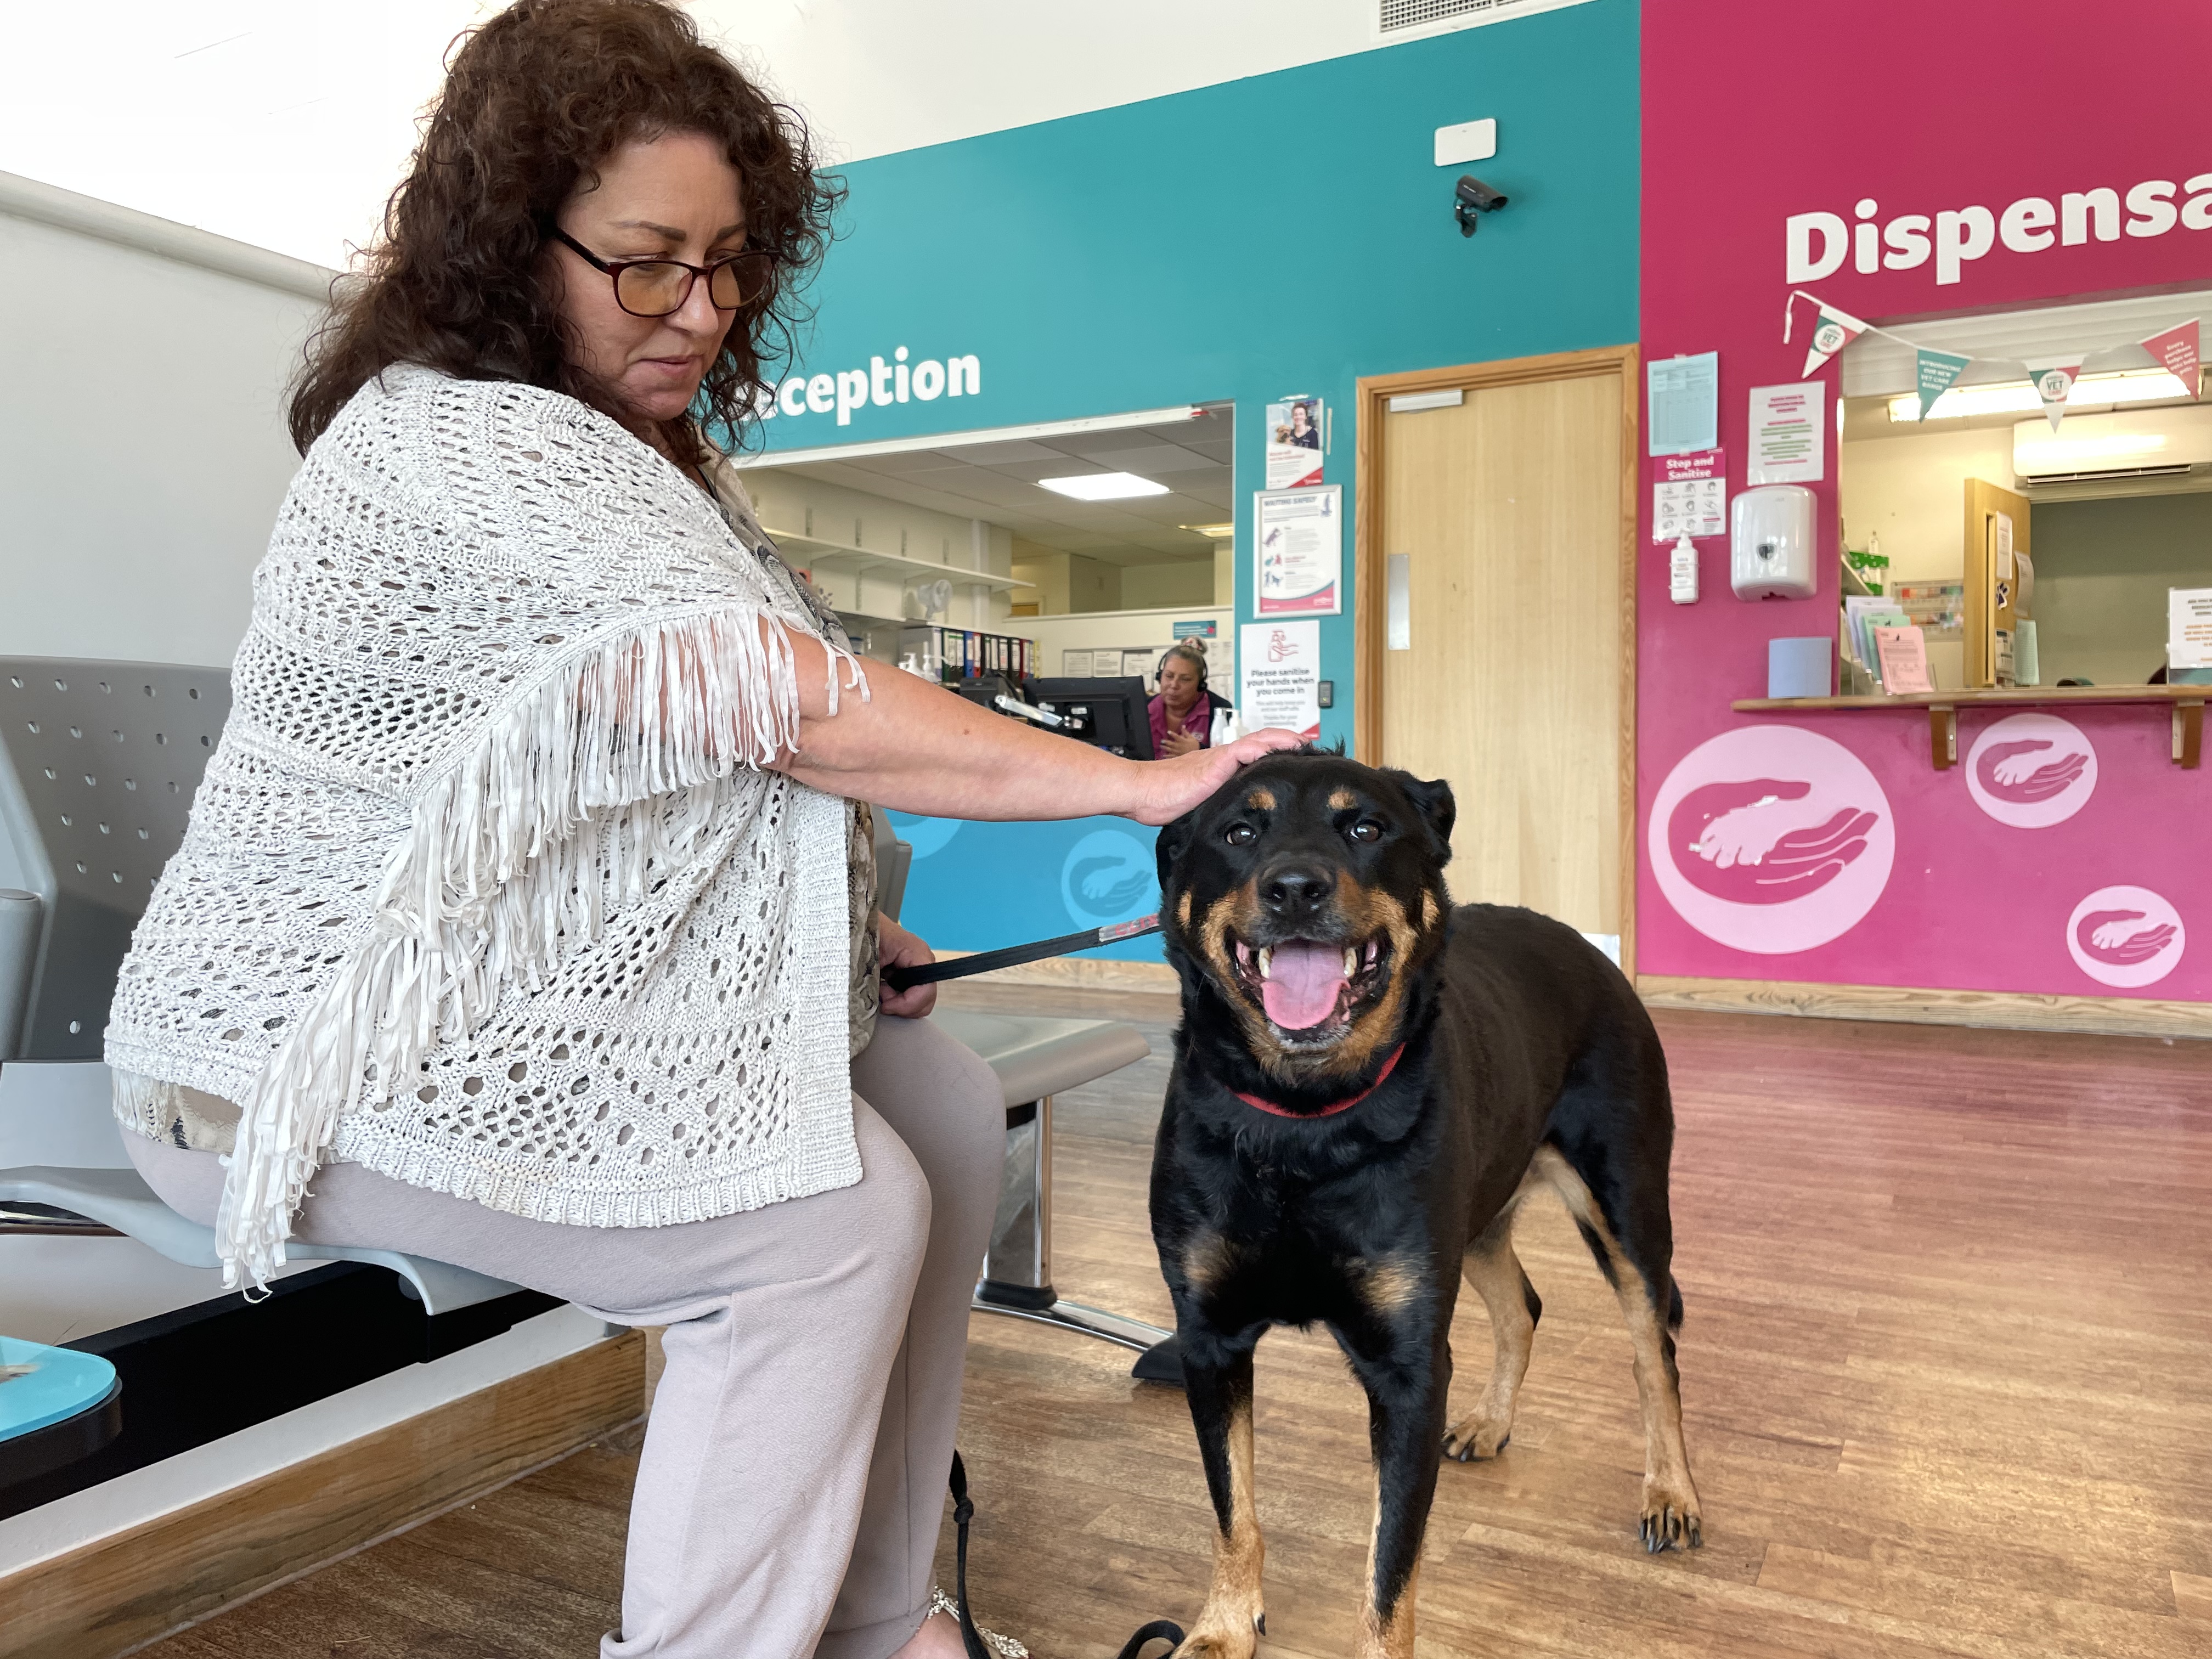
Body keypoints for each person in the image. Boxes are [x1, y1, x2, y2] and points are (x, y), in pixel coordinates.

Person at [98, 5, 1297, 1657]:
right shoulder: (458, 439)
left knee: (944, 1112)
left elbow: (648, 775)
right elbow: (783, 706)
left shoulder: (639, 463)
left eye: (728, 265)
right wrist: (1138, 781)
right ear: (508, 248)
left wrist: (848, 934)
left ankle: (880, 1624)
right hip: (301, 1057)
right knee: (824, 1232)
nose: (703, 310)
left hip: (481, 1009)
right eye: (646, 264)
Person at [1148, 640, 1232, 759]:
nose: (1174, 685)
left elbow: (1231, 758)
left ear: (1200, 685)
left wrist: (1199, 751)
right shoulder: (1142, 708)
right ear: (1159, 677)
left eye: (1185, 679)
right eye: (1169, 676)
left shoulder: (1221, 710)